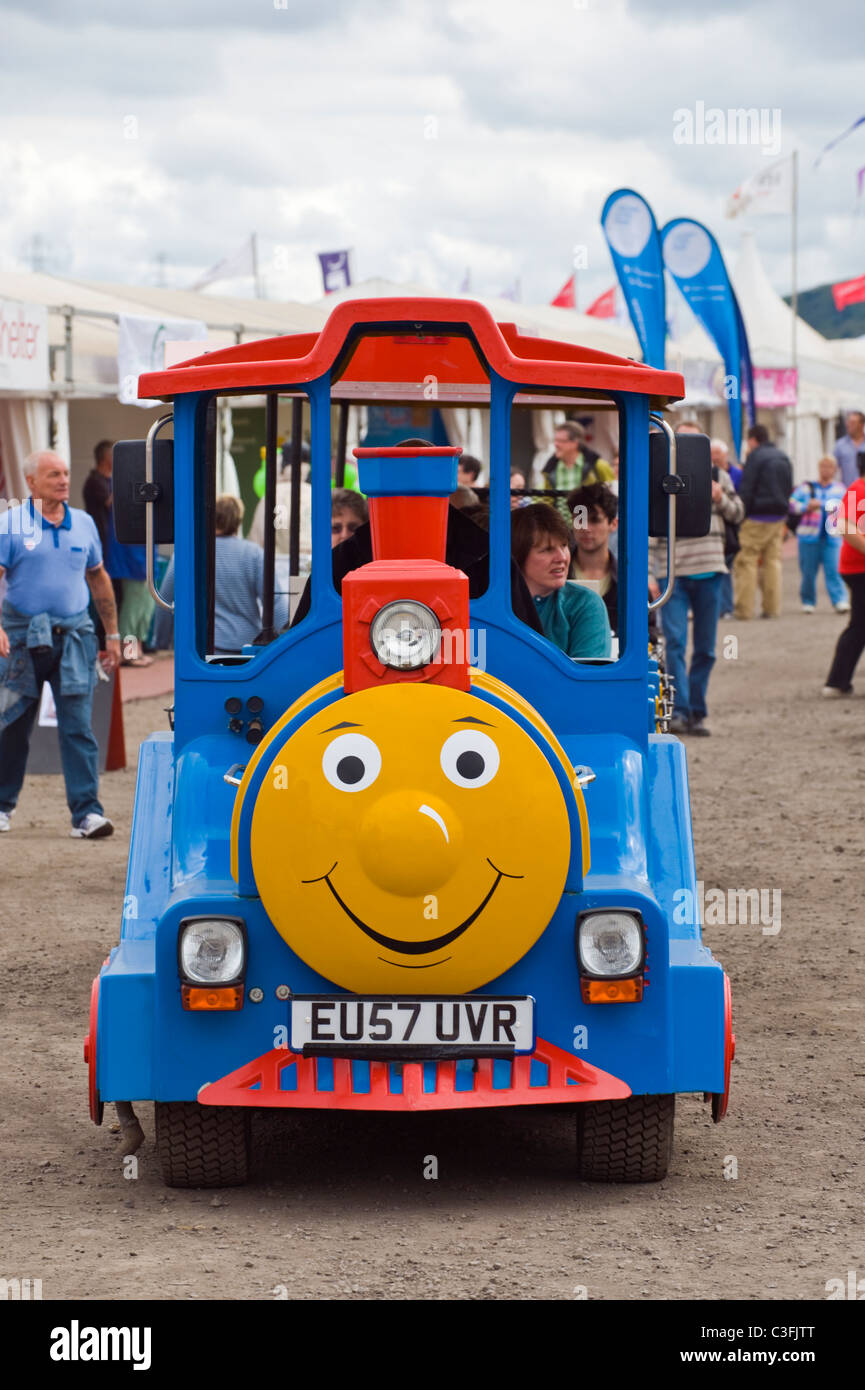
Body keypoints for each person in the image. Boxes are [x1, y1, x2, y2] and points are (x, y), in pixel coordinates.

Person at [0, 451, 120, 837]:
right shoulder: (11, 524)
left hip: (74, 639)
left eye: (66, 473)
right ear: (31, 482)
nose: (64, 480)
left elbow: (99, 579)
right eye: (54, 474)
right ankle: (2, 806)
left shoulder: (83, 523)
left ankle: (87, 814)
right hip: (19, 641)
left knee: (78, 727)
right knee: (12, 726)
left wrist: (113, 635)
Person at [651, 461, 744, 735]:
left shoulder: (718, 476)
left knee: (706, 649)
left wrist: (720, 496)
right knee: (676, 643)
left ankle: (697, 711)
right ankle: (680, 710)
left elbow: (738, 514)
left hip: (711, 571)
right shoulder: (663, 475)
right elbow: (653, 527)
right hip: (674, 574)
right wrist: (648, 572)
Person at [162, 495, 288, 653]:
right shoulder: (253, 554)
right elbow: (274, 601)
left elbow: (166, 598)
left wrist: (161, 640)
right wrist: (287, 636)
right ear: (238, 521)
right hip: (247, 645)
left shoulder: (188, 553)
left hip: (204, 644)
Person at [511, 504, 611, 659]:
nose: (562, 557)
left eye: (564, 546)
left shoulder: (585, 604)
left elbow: (587, 677)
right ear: (518, 555)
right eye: (547, 549)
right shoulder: (495, 603)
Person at [733, 424, 794, 620]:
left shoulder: (755, 457)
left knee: (746, 561)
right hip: (778, 516)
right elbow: (789, 487)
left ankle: (744, 610)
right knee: (772, 562)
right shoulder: (783, 456)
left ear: (752, 440)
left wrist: (741, 514)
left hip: (756, 516)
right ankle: (772, 608)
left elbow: (747, 488)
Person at [823, 461, 865, 697]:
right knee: (859, 626)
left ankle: (837, 681)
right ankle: (836, 682)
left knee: (860, 625)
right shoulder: (858, 489)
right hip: (858, 569)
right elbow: (844, 526)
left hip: (857, 568)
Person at [789, 456, 848, 614]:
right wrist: (805, 506)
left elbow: (845, 508)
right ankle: (808, 601)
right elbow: (791, 504)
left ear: (834, 470)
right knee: (808, 572)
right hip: (808, 536)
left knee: (834, 570)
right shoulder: (806, 487)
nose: (826, 470)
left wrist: (821, 505)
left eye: (829, 467)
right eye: (823, 466)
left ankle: (840, 600)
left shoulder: (840, 489)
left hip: (832, 536)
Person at [568, 482, 619, 635]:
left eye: (595, 520)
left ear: (613, 524)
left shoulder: (630, 581)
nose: (586, 528)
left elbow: (649, 629)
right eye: (580, 519)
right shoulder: (549, 574)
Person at [542, 420, 614, 520]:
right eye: (555, 440)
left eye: (560, 441)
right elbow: (547, 501)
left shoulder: (599, 466)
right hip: (560, 530)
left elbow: (612, 497)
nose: (555, 444)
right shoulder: (550, 469)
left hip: (588, 529)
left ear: (575, 443)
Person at [710, 439, 741, 618]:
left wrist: (721, 498)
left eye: (718, 454)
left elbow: (738, 507)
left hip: (724, 532)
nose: (715, 458)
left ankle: (726, 607)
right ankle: (722, 607)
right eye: (712, 454)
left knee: (724, 572)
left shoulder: (730, 475)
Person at [834, 410, 865, 487]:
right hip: (850, 490)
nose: (848, 425)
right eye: (848, 422)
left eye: (853, 423)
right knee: (852, 499)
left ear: (861, 424)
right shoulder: (840, 445)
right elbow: (833, 469)